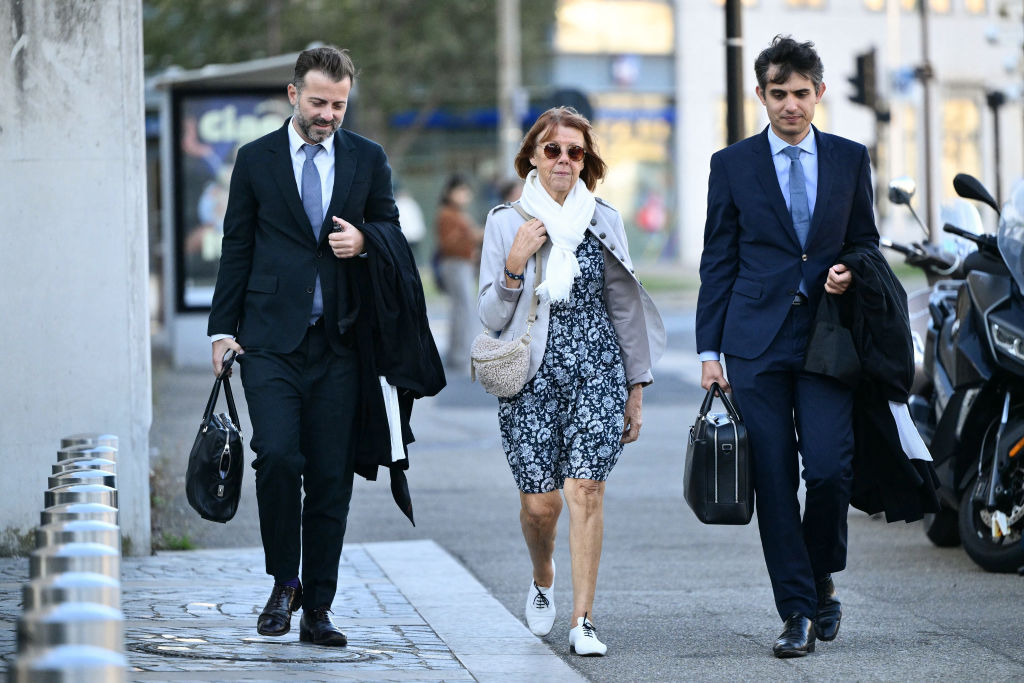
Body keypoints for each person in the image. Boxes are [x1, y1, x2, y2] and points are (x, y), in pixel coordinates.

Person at [207, 46, 408, 648]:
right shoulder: (255, 159)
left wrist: (365, 242)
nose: (328, 115)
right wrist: (222, 330)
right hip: (268, 340)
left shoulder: (367, 159)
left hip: (341, 344)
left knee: (328, 477)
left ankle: (318, 605)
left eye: (339, 105)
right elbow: (236, 245)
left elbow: (394, 232)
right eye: (318, 102)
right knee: (278, 457)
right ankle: (282, 583)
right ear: (294, 95)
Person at [695, 36, 880, 658]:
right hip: (755, 342)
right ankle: (796, 609)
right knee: (773, 479)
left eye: (802, 93)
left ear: (819, 93)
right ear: (761, 95)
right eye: (779, 94)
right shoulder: (733, 164)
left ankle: (820, 572)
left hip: (828, 338)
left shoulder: (852, 159)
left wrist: (849, 270)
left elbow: (866, 242)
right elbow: (717, 260)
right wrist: (708, 353)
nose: (791, 105)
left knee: (829, 470)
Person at [478, 107, 665, 656]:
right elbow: (490, 316)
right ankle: (543, 577)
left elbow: (625, 309)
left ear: (587, 162)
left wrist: (635, 388)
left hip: (597, 369)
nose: (564, 160)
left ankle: (583, 620)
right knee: (541, 506)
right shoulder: (505, 222)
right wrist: (515, 265)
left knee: (586, 489)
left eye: (575, 152)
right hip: (530, 374)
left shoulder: (603, 218)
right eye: (553, 150)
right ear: (532, 157)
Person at [436, 174, 485, 371]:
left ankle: (460, 354)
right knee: (463, 310)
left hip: (461, 264)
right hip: (455, 264)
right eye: (460, 191)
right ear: (450, 193)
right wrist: (472, 237)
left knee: (462, 310)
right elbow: (448, 243)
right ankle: (460, 356)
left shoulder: (456, 213)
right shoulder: (447, 214)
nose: (464, 195)